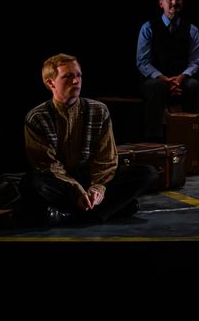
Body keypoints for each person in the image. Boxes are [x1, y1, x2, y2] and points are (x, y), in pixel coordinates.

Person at [22, 54, 158, 226]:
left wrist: (97, 188)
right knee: (32, 183)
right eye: (67, 76)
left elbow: (106, 158)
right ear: (51, 83)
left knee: (148, 173)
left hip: (90, 176)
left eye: (78, 75)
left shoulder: (98, 110)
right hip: (61, 182)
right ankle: (110, 210)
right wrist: (77, 191)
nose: (76, 81)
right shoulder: (37, 117)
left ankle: (73, 216)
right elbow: (47, 165)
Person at [136, 0, 199, 139]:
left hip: (182, 78)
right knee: (157, 87)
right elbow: (142, 61)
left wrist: (180, 79)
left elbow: (196, 61)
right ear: (161, 3)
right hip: (155, 79)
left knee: (195, 86)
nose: (174, 2)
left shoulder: (192, 30)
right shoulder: (148, 27)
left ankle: (190, 139)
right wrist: (165, 79)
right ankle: (155, 141)